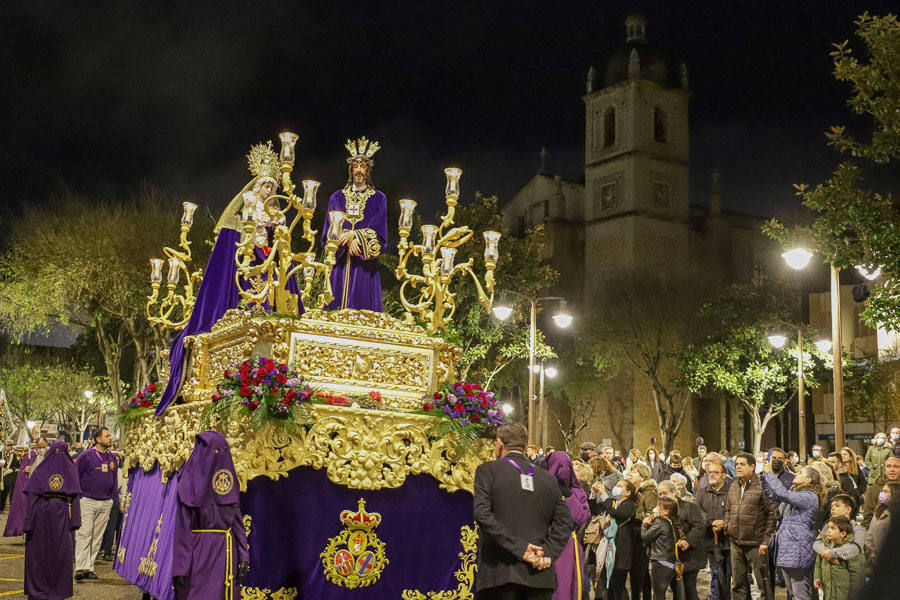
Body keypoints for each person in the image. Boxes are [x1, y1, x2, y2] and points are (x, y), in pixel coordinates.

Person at [156, 144, 304, 414]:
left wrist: (279, 229)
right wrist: (254, 229)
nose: (270, 191)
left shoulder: (275, 215)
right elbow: (228, 258)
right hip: (246, 272)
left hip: (270, 271)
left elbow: (281, 248)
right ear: (254, 187)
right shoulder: (238, 220)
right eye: (265, 186)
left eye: (273, 187)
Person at [474, 423, 573, 599]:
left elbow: (483, 514)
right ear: (525, 447)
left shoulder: (488, 471)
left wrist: (521, 549)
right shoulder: (548, 479)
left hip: (499, 574)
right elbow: (565, 521)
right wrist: (546, 553)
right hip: (539, 576)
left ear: (499, 444)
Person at [173, 431, 249, 599]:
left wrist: (243, 555)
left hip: (226, 554)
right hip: (199, 554)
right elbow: (182, 531)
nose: (219, 456)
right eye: (214, 451)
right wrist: (181, 567)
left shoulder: (228, 482)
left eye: (223, 450)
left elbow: (237, 523)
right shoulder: (190, 485)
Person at [321, 137, 388, 312]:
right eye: (356, 166)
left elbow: (380, 232)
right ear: (351, 169)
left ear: (368, 170)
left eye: (363, 166)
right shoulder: (337, 197)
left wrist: (356, 235)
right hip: (340, 264)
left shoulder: (378, 198)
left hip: (364, 266)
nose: (359, 170)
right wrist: (346, 239)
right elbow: (328, 232)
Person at [23, 439, 81, 600]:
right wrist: (75, 522)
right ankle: (57, 591)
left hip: (41, 515)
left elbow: (32, 497)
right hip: (61, 515)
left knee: (42, 554)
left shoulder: (41, 471)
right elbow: (75, 497)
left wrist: (27, 524)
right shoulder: (70, 469)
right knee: (58, 555)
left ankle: (39, 590)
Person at [760, 464, 823, 600]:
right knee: (793, 593)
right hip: (788, 548)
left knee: (800, 594)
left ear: (809, 480)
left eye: (801, 473)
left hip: (798, 548)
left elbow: (782, 493)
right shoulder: (796, 493)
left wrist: (770, 473)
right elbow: (774, 494)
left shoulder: (810, 496)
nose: (797, 474)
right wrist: (764, 477)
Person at [724, 452, 776, 600]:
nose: (738, 467)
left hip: (756, 542)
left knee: (763, 584)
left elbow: (772, 514)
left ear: (752, 467)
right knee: (738, 583)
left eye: (742, 464)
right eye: (737, 464)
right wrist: (728, 525)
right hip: (736, 541)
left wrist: (765, 541)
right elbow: (728, 509)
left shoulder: (762, 485)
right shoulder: (734, 484)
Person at [74, 427, 119, 581]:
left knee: (97, 537)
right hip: (88, 500)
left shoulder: (112, 458)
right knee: (84, 534)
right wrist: (79, 497)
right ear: (98, 439)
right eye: (107, 436)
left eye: (109, 436)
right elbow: (76, 475)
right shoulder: (86, 456)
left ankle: (89, 567)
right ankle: (80, 566)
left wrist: (114, 498)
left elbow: (114, 480)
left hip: (105, 502)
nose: (109, 438)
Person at [547, 452, 591, 600]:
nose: (562, 470)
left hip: (567, 545)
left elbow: (581, 517)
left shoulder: (577, 491)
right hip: (543, 541)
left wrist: (568, 497)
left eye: (566, 467)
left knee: (565, 588)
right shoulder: (542, 488)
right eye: (558, 466)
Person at [658, 481, 706, 600]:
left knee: (689, 589)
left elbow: (699, 526)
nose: (662, 496)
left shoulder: (689, 507)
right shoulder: (661, 511)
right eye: (660, 494)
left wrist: (688, 541)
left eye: (665, 492)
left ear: (674, 492)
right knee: (676, 590)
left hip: (690, 556)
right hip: (672, 557)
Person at [593, 479, 639, 600]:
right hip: (606, 550)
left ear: (628, 492)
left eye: (620, 486)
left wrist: (603, 494)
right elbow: (594, 509)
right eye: (616, 485)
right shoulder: (611, 502)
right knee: (608, 585)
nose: (616, 488)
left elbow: (618, 514)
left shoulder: (630, 505)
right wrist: (594, 494)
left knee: (619, 586)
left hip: (621, 551)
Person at [698, 461, 732, 600]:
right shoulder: (702, 492)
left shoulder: (731, 491)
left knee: (728, 574)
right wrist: (711, 521)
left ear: (724, 475)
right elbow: (698, 511)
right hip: (711, 539)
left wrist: (725, 522)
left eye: (715, 472)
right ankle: (716, 597)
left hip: (729, 539)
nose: (711, 474)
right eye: (709, 472)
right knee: (716, 573)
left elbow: (735, 510)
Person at [813, 516, 865, 600]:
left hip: (843, 594)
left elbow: (856, 573)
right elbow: (818, 564)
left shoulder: (847, 550)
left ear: (843, 533)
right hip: (827, 592)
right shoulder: (824, 546)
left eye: (833, 528)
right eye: (828, 527)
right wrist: (817, 577)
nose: (828, 530)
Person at [625, 463, 657, 600]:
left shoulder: (649, 492)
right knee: (638, 572)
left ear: (643, 477)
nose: (630, 474)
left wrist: (634, 516)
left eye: (634, 472)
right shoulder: (631, 491)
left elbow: (651, 514)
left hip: (641, 534)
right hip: (631, 533)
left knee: (640, 571)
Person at [640, 496, 680, 600]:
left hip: (661, 563)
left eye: (658, 506)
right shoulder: (672, 522)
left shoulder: (661, 522)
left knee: (659, 595)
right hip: (670, 562)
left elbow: (645, 536)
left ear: (666, 511)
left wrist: (645, 524)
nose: (655, 508)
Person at [812, 494, 866, 564]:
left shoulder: (858, 529)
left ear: (848, 509)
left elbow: (855, 549)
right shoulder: (827, 526)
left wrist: (832, 553)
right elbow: (816, 543)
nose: (832, 508)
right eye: (832, 506)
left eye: (837, 506)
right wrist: (827, 555)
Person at [4, 440, 43, 537]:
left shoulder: (44, 457)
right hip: (27, 488)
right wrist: (26, 471)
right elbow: (22, 472)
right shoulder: (30, 456)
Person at [864, 480, 900, 569]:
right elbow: (879, 545)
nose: (882, 494)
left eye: (886, 491)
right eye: (882, 491)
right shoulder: (884, 515)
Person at [862, 455, 900, 527]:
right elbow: (867, 518)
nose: (892, 469)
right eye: (889, 466)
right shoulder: (873, 490)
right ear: (884, 470)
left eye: (896, 466)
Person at [0, 444, 20, 511]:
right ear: (5, 446)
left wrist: (12, 470)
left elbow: (17, 465)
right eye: (8, 446)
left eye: (10, 446)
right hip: (1, 476)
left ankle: (2, 508)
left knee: (6, 492)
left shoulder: (13, 455)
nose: (9, 447)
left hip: (8, 477)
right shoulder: (0, 453)